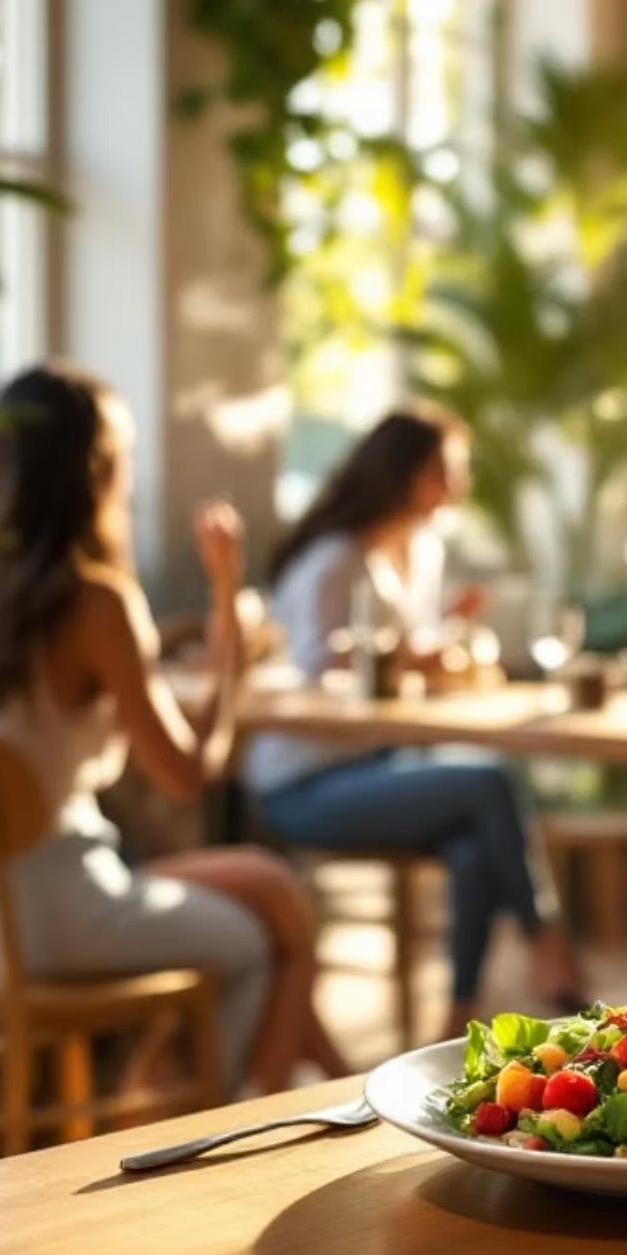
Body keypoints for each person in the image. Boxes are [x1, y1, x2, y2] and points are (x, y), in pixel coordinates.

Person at [0, 361, 345, 1096]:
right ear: (98, 470)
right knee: (258, 943)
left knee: (270, 886)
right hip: (62, 912)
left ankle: (318, 1088)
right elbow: (187, 773)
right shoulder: (94, 604)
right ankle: (227, 1122)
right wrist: (227, 613)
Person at [245, 406, 573, 1031]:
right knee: (488, 781)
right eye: (446, 471)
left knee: (476, 844)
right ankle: (546, 944)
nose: (459, 487)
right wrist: (406, 652)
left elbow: (399, 658)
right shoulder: (334, 558)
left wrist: (442, 634)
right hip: (303, 780)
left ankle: (458, 1021)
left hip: (375, 763)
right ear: (404, 473)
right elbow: (318, 669)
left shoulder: (414, 551)